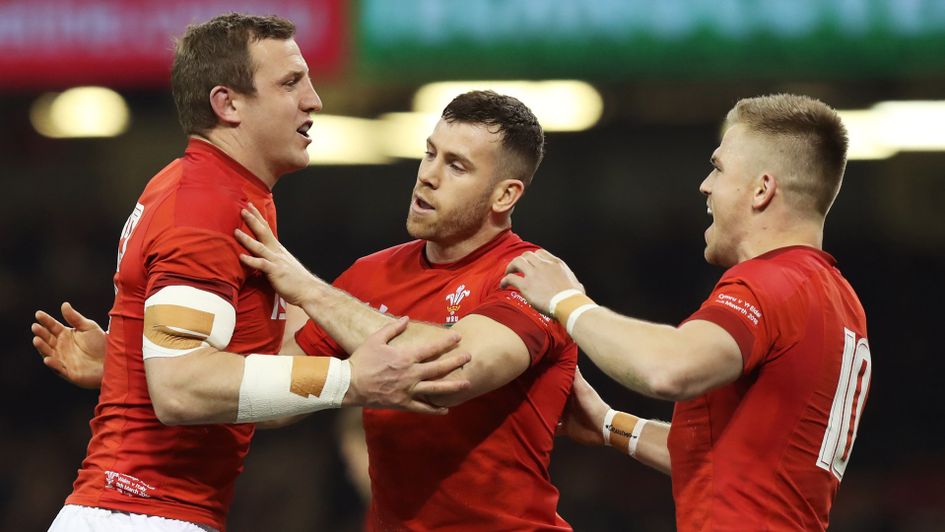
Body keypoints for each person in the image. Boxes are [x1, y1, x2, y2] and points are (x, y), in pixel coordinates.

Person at [37, 91, 578, 530]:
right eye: (430, 152)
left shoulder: (534, 278)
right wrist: (140, 369)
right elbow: (279, 401)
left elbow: (451, 371)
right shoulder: (371, 275)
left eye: (456, 166)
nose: (428, 175)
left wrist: (309, 289)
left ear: (505, 195)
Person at [30, 13, 470, 532]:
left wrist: (130, 372)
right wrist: (350, 380)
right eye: (290, 83)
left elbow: (258, 396)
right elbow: (181, 389)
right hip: (138, 514)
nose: (314, 100)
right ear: (228, 103)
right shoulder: (205, 205)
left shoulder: (221, 192)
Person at [502, 93, 872, 530]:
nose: (705, 185)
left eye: (717, 168)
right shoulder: (838, 299)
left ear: (761, 189)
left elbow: (669, 369)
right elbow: (730, 463)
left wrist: (566, 301)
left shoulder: (771, 283)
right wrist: (608, 424)